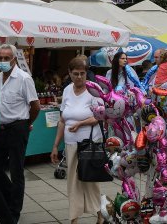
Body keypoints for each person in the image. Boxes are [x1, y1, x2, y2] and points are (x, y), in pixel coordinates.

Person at [0, 43, 40, 224]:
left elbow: (35, 106)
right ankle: (10, 196)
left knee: (17, 171)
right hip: (0, 129)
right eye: (0, 58)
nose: (2, 61)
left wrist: (26, 124)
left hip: (17, 129)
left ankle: (14, 211)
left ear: (14, 59)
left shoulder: (24, 78)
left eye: (6, 58)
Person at [50, 57, 102, 224]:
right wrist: (55, 146)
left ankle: (101, 214)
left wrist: (81, 123)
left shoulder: (94, 90)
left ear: (87, 73)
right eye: (75, 74)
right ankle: (74, 217)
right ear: (69, 74)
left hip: (90, 142)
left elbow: (99, 116)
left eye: (82, 73)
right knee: (73, 182)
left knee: (90, 181)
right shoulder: (66, 91)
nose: (79, 77)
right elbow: (62, 120)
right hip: (71, 143)